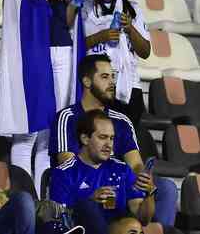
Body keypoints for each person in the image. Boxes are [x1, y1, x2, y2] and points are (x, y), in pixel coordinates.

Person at [0, 0, 87, 194]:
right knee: (28, 132)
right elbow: (22, 11)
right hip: (35, 55)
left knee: (51, 134)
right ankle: (25, 198)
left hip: (62, 51)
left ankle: (43, 201)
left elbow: (68, 20)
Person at [50, 54, 177, 227]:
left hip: (119, 181)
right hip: (85, 187)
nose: (112, 82)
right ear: (87, 82)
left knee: (167, 188)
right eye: (104, 77)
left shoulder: (122, 120)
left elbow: (135, 165)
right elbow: (69, 164)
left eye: (112, 77)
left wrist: (144, 181)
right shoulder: (68, 117)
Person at [50, 110, 156, 234]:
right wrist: (90, 200)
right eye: (102, 137)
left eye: (111, 138)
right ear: (85, 139)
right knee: (88, 207)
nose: (109, 145)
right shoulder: (64, 172)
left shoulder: (122, 170)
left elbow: (143, 219)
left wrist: (150, 193)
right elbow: (59, 221)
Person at [82, 0, 150, 126]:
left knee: (124, 146)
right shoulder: (83, 7)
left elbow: (145, 51)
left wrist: (130, 29)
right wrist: (100, 36)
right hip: (96, 87)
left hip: (129, 89)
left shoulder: (132, 9)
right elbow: (74, 47)